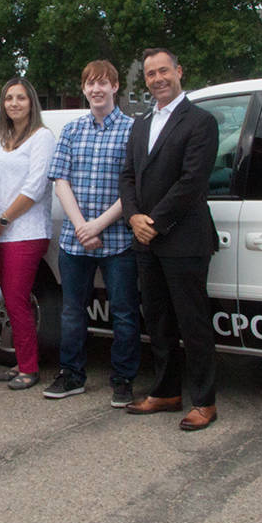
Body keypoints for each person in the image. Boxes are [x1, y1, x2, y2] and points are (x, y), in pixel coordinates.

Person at [119, 48, 220, 430]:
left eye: (164, 70)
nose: (158, 78)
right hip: (146, 239)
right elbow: (127, 175)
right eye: (150, 74)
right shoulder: (141, 123)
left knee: (192, 323)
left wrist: (155, 222)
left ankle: (204, 401)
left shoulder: (200, 121)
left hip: (183, 239)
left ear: (179, 71)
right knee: (158, 321)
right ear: (145, 79)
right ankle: (165, 392)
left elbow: (192, 182)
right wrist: (133, 217)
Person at [44, 60, 139, 407]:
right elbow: (61, 180)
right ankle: (71, 374)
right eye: (90, 83)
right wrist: (83, 226)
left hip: (118, 241)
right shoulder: (71, 130)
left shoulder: (132, 131)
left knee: (125, 313)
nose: (96, 89)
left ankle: (124, 379)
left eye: (103, 83)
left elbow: (133, 189)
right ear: (84, 88)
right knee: (72, 311)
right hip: (75, 240)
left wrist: (98, 225)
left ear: (115, 87)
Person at [0, 77, 55, 390]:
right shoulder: (0, 138)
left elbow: (36, 187)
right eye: (9, 98)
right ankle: (19, 361)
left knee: (16, 298)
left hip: (24, 231)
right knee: (9, 301)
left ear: (31, 102)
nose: (14, 103)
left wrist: (5, 220)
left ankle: (29, 367)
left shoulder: (42, 137)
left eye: (21, 98)